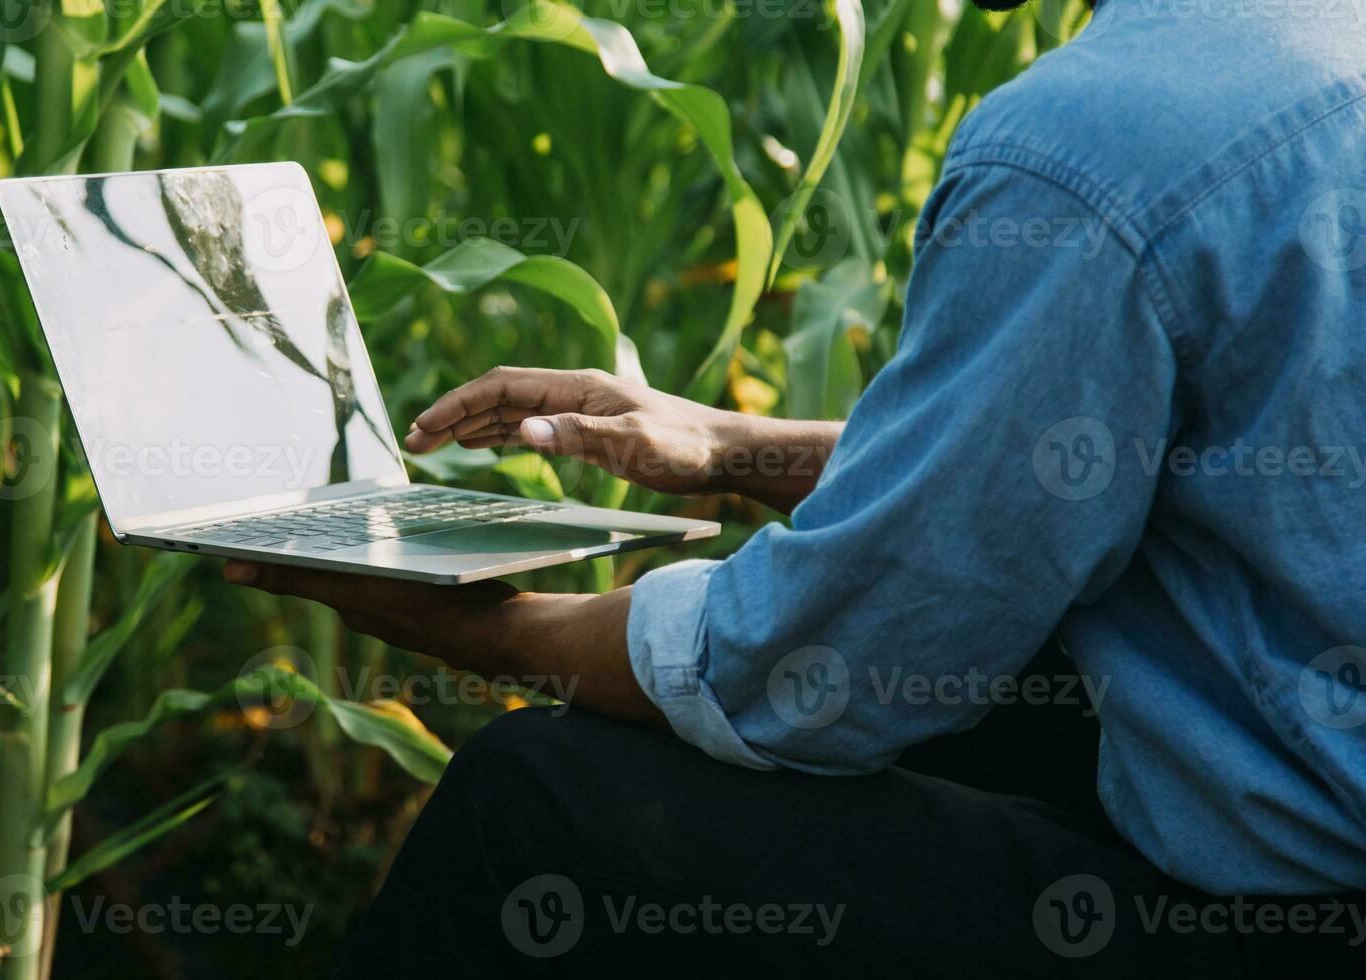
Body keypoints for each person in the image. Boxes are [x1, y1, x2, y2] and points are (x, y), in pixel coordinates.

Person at [226, 0, 1366, 973]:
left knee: (531, 804)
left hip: (1288, 919)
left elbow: (829, 666)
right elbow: (1091, 479)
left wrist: (478, 626)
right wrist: (735, 448)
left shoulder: (1103, 142)